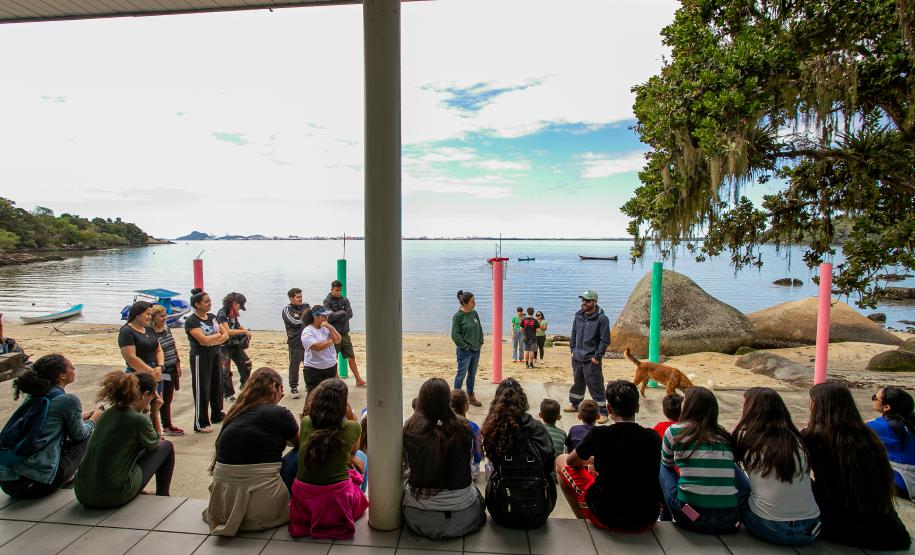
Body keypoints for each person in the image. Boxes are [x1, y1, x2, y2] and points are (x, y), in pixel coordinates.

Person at [803, 382, 911, 550]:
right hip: (888, 529)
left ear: (818, 405)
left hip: (845, 524)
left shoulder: (815, 437)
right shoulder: (868, 435)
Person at [556, 380, 661, 531]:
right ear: (637, 408)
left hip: (606, 516)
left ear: (609, 409)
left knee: (561, 459)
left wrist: (592, 460)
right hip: (646, 518)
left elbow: (571, 461)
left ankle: (583, 519)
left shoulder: (600, 434)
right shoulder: (653, 437)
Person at [205, 368, 298, 536]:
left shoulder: (236, 412)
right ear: (272, 387)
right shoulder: (278, 413)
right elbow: (301, 443)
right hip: (262, 505)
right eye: (280, 388)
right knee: (299, 454)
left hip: (224, 504)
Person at [0, 354, 101, 498]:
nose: (74, 369)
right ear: (62, 376)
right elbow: (79, 434)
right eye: (71, 367)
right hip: (36, 483)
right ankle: (83, 480)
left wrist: (79, 418)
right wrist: (95, 418)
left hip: (8, 482)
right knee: (89, 434)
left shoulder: (33, 395)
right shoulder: (68, 401)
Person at [732, 387, 820, 546]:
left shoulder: (744, 436)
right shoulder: (795, 439)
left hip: (770, 527)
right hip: (811, 527)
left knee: (730, 468)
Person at [75, 372, 174, 509]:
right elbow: (156, 442)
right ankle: (163, 494)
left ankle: (135, 487)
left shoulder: (107, 414)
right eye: (152, 396)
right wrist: (155, 412)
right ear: (145, 394)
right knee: (166, 446)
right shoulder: (137, 420)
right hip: (112, 495)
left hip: (83, 492)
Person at [403, 378, 486, 539]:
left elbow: (404, 469)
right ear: (448, 401)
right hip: (466, 516)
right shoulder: (464, 427)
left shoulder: (411, 429)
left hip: (419, 518)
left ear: (420, 402)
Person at [659, 387, 747, 534]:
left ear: (688, 406)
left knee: (661, 465)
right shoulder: (724, 436)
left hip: (691, 518)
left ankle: (665, 517)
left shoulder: (674, 430)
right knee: (731, 466)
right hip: (729, 521)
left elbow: (667, 464)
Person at [288, 379, 368, 539]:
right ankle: (358, 495)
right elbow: (354, 449)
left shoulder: (305, 422)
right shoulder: (353, 427)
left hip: (304, 496)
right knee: (361, 457)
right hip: (336, 499)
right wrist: (351, 417)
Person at [481, 378, 556, 528]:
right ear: (523, 402)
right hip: (537, 514)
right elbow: (549, 466)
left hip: (501, 512)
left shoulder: (492, 429)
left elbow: (493, 462)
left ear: (497, 402)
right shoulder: (538, 429)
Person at [184, 288, 230, 433]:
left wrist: (213, 340)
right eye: (206, 301)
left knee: (217, 386)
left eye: (210, 301)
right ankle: (201, 422)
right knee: (202, 388)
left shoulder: (212, 317)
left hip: (215, 354)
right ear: (197, 304)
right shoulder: (192, 321)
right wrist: (215, 337)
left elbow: (226, 335)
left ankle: (217, 414)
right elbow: (202, 340)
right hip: (201, 357)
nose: (210, 303)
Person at [565, 290, 610, 424]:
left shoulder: (602, 319)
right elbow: (573, 333)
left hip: (591, 359)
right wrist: (572, 349)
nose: (584, 303)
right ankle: (575, 404)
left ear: (594, 302)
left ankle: (602, 412)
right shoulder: (578, 316)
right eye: (583, 300)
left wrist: (597, 356)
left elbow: (605, 340)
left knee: (596, 386)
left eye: (587, 301)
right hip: (577, 357)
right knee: (578, 383)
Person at [867, 386, 915, 500]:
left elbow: (854, 427)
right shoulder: (908, 421)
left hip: (902, 482)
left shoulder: (884, 426)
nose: (872, 398)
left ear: (887, 407)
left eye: (875, 397)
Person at [324, 280, 366, 387]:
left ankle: (358, 380)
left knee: (351, 356)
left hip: (345, 334)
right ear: (332, 289)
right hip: (334, 334)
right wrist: (342, 313)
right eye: (337, 290)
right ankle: (337, 382)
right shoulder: (326, 301)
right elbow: (329, 317)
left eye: (340, 290)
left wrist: (337, 316)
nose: (339, 292)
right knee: (333, 359)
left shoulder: (345, 300)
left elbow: (350, 314)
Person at [150, 305, 184, 436]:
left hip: (171, 366)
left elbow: (172, 346)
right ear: (153, 318)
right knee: (159, 399)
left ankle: (167, 425)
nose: (164, 318)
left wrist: (178, 364)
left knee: (168, 398)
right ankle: (159, 426)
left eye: (165, 315)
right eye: (161, 316)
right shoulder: (150, 332)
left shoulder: (166, 328)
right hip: (160, 369)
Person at [218, 292, 253, 402]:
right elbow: (227, 331)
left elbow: (237, 325)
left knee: (246, 363)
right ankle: (228, 394)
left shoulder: (232, 314)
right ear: (234, 303)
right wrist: (243, 331)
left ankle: (244, 384)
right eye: (239, 306)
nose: (239, 309)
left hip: (235, 344)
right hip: (224, 346)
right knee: (225, 370)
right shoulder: (222, 313)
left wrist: (245, 331)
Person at [451, 290, 483, 407]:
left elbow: (479, 327)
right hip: (464, 352)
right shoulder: (458, 316)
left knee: (472, 374)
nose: (475, 303)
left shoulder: (474, 313)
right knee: (461, 375)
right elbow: (455, 335)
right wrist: (465, 346)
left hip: (476, 349)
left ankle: (470, 395)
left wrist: (480, 341)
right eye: (472, 302)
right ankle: (455, 399)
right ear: (464, 303)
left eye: (474, 301)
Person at [301, 305, 342, 394]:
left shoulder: (326, 328)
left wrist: (331, 328)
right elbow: (317, 347)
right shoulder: (307, 331)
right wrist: (331, 341)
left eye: (326, 316)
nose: (325, 318)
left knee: (332, 394)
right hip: (314, 368)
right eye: (323, 316)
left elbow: (338, 340)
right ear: (315, 316)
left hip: (330, 366)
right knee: (314, 395)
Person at [118, 301, 164, 380]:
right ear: (137, 315)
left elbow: (159, 350)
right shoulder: (127, 331)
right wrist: (151, 372)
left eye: (151, 314)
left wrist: (160, 366)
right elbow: (131, 358)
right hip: (137, 374)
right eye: (147, 314)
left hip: (156, 371)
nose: (150, 317)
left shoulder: (149, 328)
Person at [282, 288, 310, 399]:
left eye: (301, 296)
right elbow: (293, 322)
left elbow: (312, 317)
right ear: (291, 298)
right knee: (294, 366)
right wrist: (306, 320)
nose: (300, 298)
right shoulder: (286, 309)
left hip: (308, 341)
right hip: (295, 341)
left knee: (308, 364)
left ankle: (309, 384)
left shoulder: (306, 305)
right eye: (298, 297)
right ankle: (293, 387)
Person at [450, 389, 482, 478]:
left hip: (446, 472)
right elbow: (478, 456)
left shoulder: (442, 425)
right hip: (468, 473)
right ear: (466, 406)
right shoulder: (473, 427)